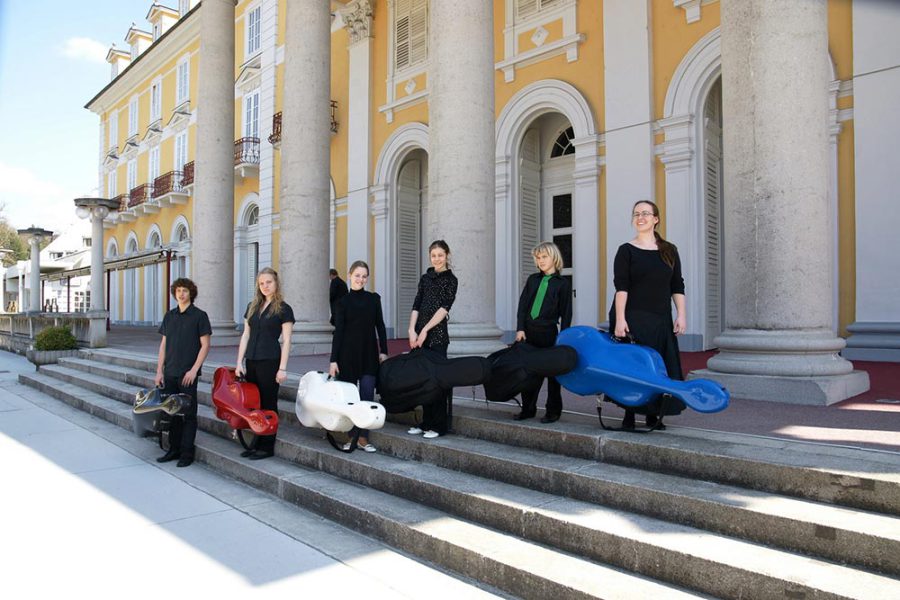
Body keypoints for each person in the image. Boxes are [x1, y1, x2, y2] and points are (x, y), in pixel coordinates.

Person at [609, 200, 687, 430]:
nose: (640, 217)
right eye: (636, 214)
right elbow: (621, 287)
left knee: (659, 367)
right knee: (633, 367)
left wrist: (681, 315)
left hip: (660, 318)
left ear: (656, 219)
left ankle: (653, 414)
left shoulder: (669, 250)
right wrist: (620, 319)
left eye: (645, 213)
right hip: (632, 317)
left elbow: (677, 285)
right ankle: (629, 415)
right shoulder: (626, 250)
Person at [329, 260, 388, 452]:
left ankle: (363, 438)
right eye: (357, 275)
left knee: (367, 396)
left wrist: (384, 350)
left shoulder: (373, 299)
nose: (360, 279)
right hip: (347, 356)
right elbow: (338, 333)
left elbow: (380, 326)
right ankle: (351, 437)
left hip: (369, 353)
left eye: (364, 276)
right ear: (349, 275)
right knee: (350, 399)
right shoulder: (342, 302)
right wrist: (333, 360)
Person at [236, 268, 295, 459]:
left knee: (268, 403)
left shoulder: (284, 308)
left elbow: (287, 340)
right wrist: (239, 362)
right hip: (251, 360)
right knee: (255, 404)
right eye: (261, 283)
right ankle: (256, 442)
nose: (265, 286)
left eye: (269, 282)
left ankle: (267, 446)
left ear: (276, 283)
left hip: (270, 361)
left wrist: (282, 368)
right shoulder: (252, 306)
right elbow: (246, 335)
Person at [154, 278, 211, 467]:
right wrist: (159, 371)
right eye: (178, 290)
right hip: (170, 372)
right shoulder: (169, 316)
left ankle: (187, 453)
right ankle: (173, 449)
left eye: (185, 290)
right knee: (172, 413)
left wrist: (194, 370)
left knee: (188, 415)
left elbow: (205, 345)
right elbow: (163, 345)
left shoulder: (200, 316)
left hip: (188, 375)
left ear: (191, 293)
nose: (181, 294)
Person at [513, 241, 572, 423]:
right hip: (529, 332)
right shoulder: (533, 280)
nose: (541, 261)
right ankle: (528, 408)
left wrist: (563, 337)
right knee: (528, 372)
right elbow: (523, 306)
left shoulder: (563, 284)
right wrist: (520, 328)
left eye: (544, 257)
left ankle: (553, 411)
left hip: (549, 333)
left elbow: (567, 313)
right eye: (538, 258)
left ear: (554, 257)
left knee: (552, 374)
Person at [407, 240, 458, 439]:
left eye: (440, 255)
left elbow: (444, 309)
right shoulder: (425, 278)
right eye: (433, 255)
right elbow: (417, 304)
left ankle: (438, 426)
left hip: (437, 337)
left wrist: (425, 330)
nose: (437, 259)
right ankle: (425, 422)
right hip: (420, 336)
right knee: (423, 381)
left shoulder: (451, 280)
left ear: (447, 255)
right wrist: (412, 330)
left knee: (437, 381)